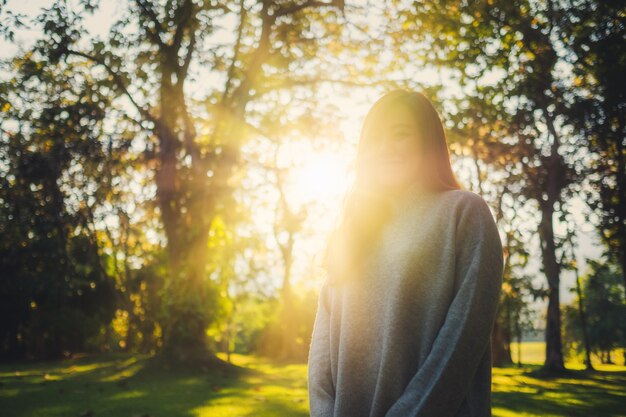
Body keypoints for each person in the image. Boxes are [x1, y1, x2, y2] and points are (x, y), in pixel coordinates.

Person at [307, 89, 504, 417]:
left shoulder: (464, 214)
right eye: (376, 138)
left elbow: (462, 341)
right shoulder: (352, 231)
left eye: (400, 134)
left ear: (428, 142)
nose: (386, 148)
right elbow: (321, 356)